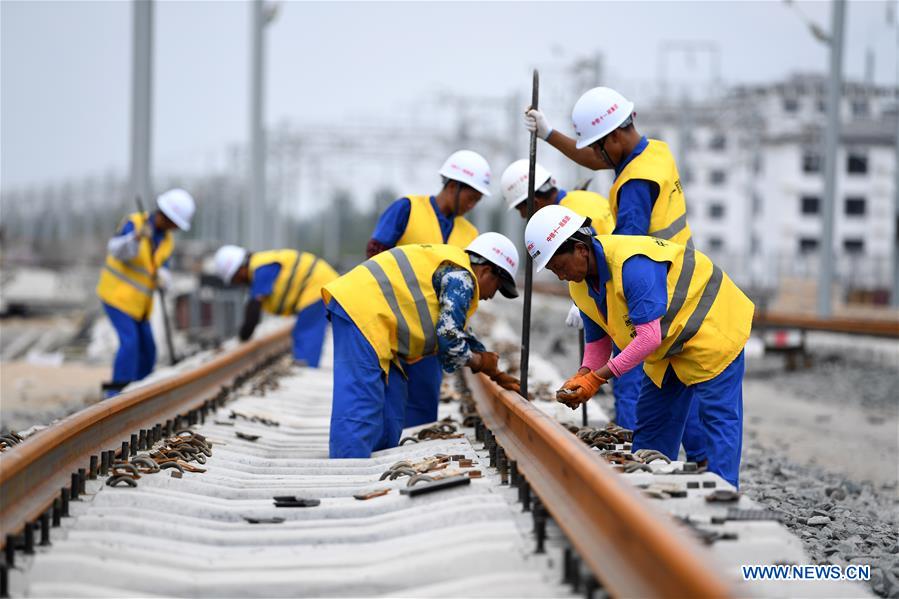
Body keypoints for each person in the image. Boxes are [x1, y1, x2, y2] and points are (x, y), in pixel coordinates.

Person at [524, 205, 753, 487]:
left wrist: (597, 378)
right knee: (652, 426)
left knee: (716, 419)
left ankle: (724, 491)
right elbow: (598, 342)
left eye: (559, 267)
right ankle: (652, 490)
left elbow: (648, 338)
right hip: (670, 343)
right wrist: (583, 374)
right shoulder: (580, 284)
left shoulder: (633, 265)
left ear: (580, 250)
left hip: (712, 326)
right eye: (552, 270)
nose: (560, 276)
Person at [524, 87, 697, 451]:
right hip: (673, 273)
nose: (596, 155)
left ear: (615, 136)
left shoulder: (635, 184)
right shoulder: (652, 152)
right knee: (675, 379)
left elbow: (624, 246)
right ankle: (675, 454)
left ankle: (682, 456)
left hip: (660, 281)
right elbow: (596, 160)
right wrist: (549, 133)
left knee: (661, 370)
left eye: (598, 146)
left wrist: (590, 291)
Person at [324, 233, 520, 459]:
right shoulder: (462, 278)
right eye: (498, 286)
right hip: (362, 311)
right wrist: (479, 362)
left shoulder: (455, 270)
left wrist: (491, 367)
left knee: (392, 406)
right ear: (486, 271)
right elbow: (449, 340)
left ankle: (372, 464)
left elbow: (454, 327)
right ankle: (349, 468)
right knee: (361, 400)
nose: (492, 296)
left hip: (384, 326)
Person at [365, 149, 493, 429]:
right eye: (472, 196)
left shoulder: (470, 234)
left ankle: (411, 455)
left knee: (423, 404)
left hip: (431, 335)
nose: (473, 204)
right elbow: (375, 255)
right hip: (391, 324)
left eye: (478, 200)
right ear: (454, 186)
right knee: (384, 397)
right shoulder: (407, 209)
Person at [96, 188, 196, 396]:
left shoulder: (166, 240)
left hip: (140, 305)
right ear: (165, 216)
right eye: (174, 223)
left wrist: (163, 278)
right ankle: (115, 395)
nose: (175, 228)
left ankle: (139, 392)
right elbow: (116, 250)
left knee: (149, 350)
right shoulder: (134, 223)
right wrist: (135, 238)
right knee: (130, 343)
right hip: (117, 297)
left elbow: (163, 267)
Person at [212, 245, 338, 367]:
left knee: (306, 330)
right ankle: (305, 362)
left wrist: (244, 335)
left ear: (240, 269)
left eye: (236, 278)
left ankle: (306, 364)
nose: (239, 283)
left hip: (318, 287)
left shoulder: (261, 269)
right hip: (319, 285)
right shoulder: (261, 265)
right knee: (305, 329)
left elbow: (254, 306)